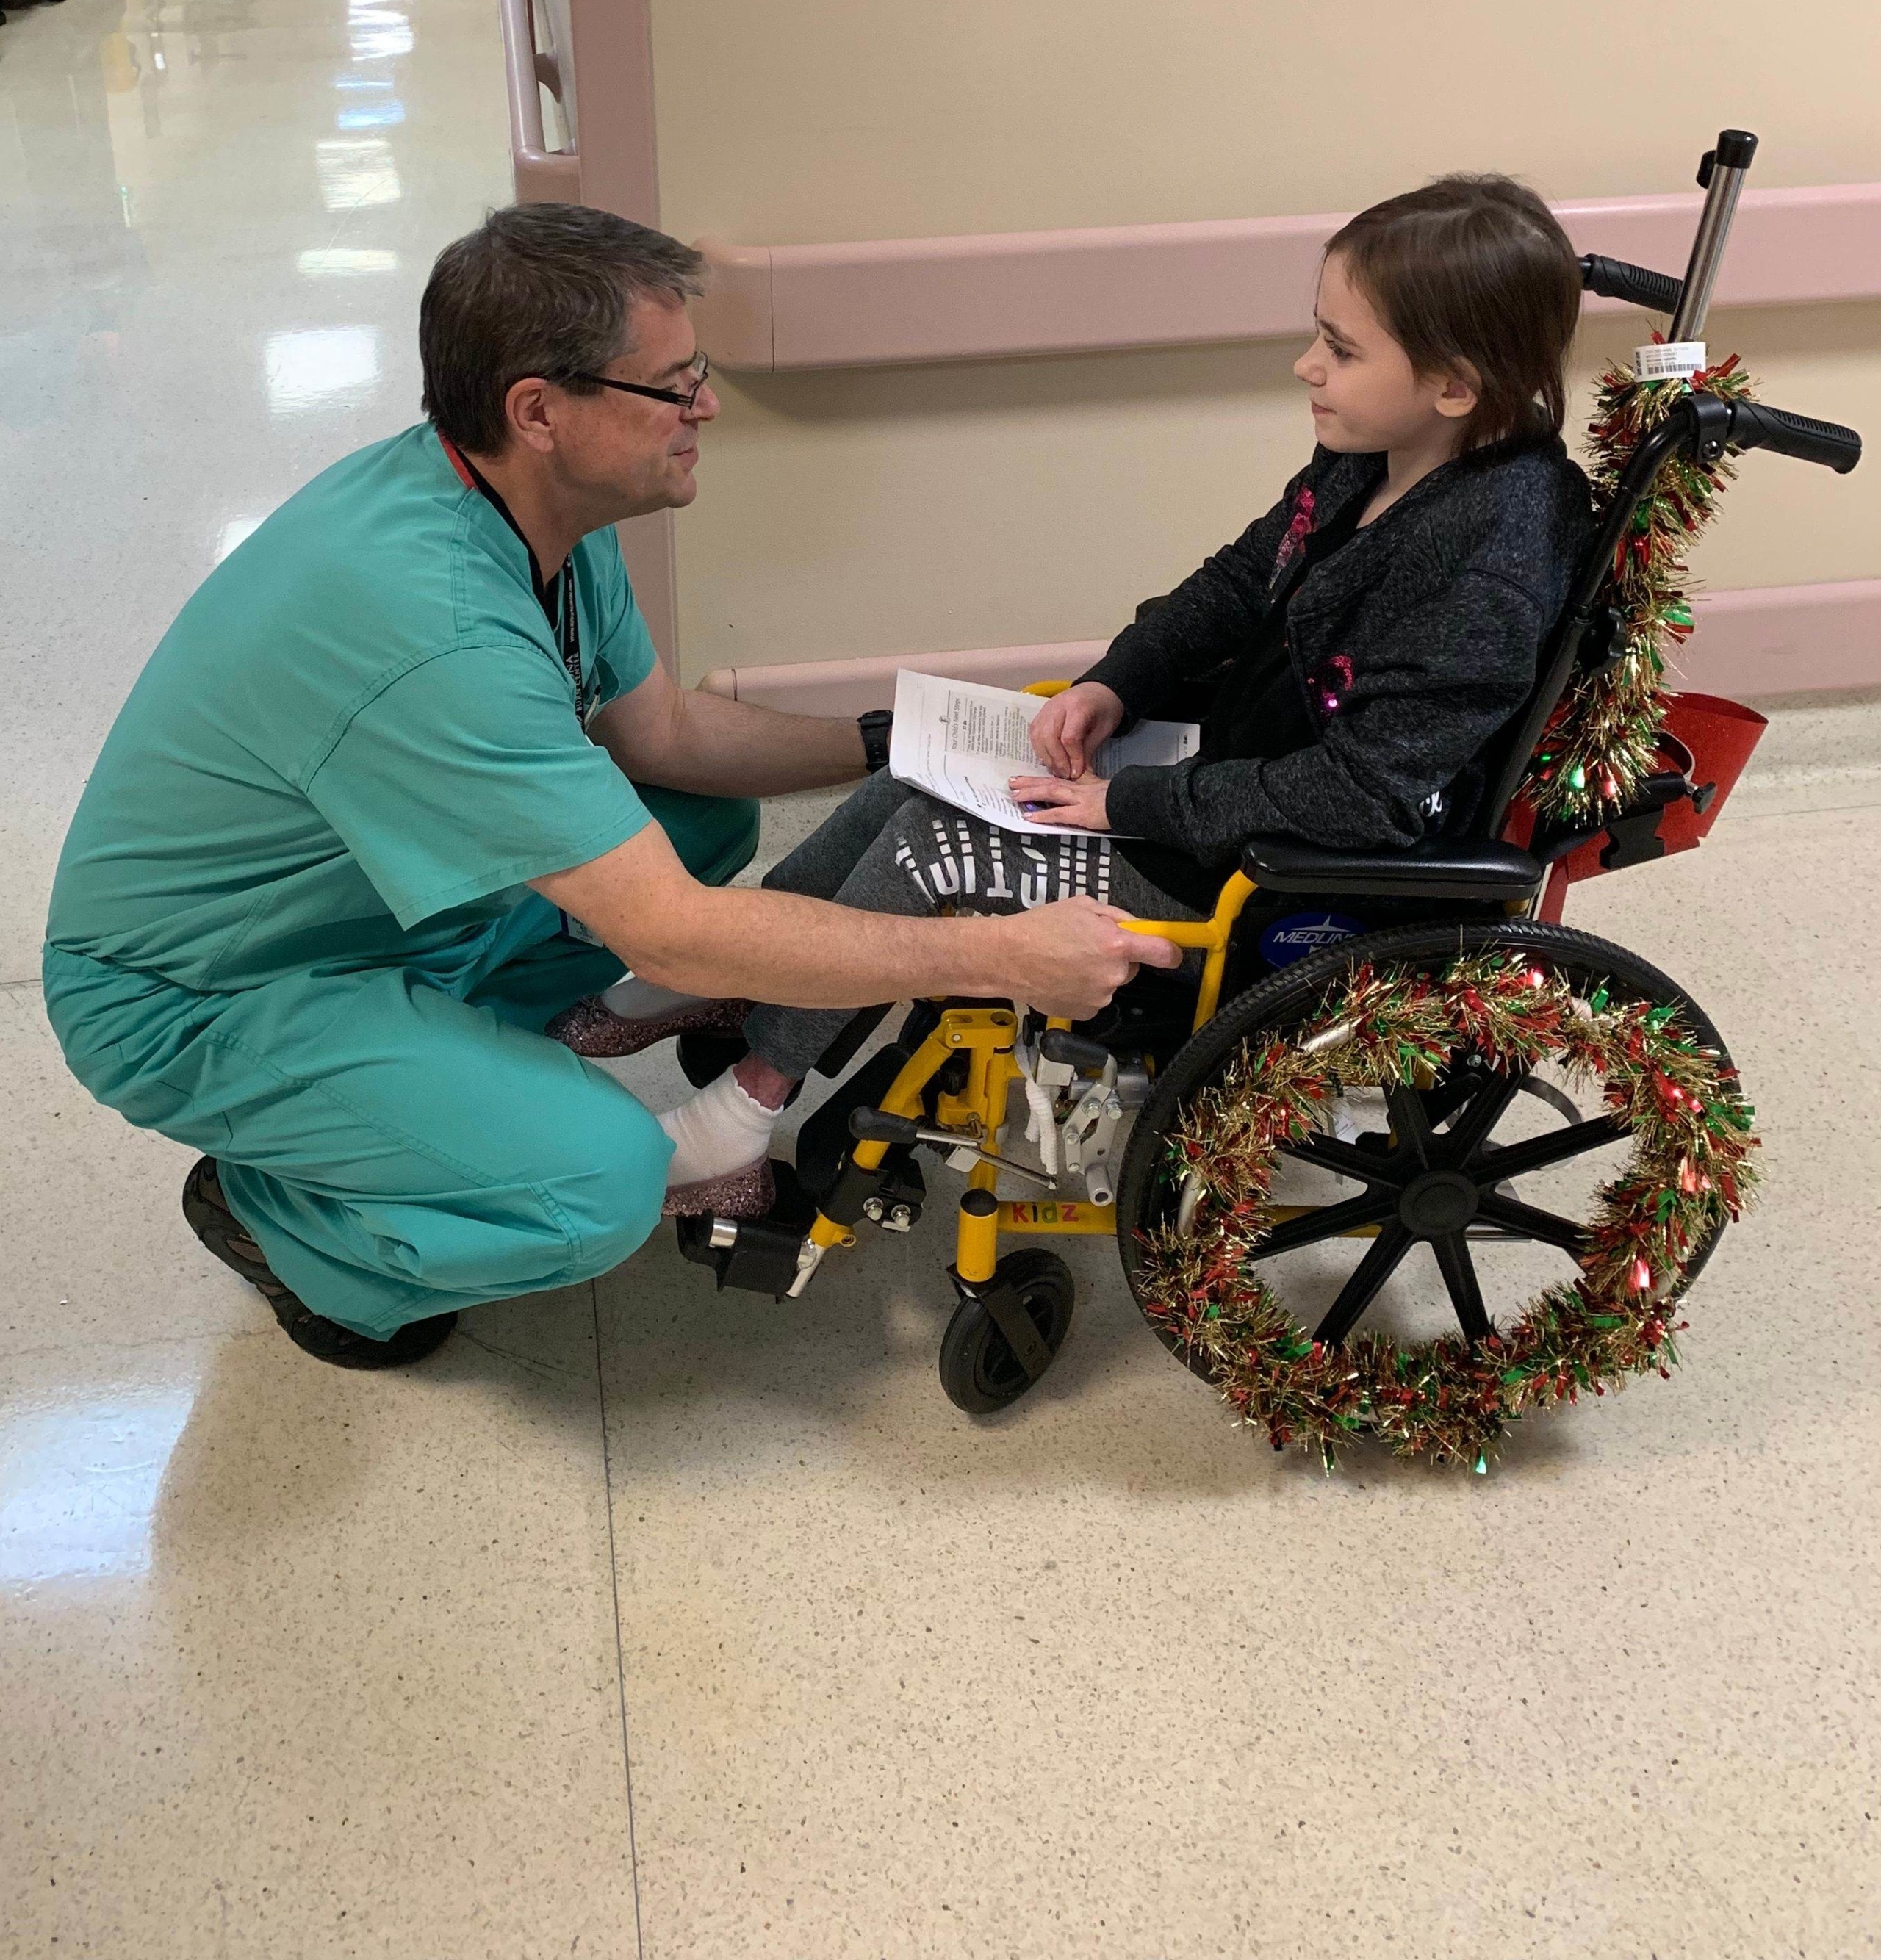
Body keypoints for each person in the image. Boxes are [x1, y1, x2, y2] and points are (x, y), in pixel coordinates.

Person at [41, 210, 1170, 1372]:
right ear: (541, 409)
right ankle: (282, 1216)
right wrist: (1004, 954)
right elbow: (672, 932)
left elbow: (671, 735)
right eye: (676, 386)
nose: (707, 408)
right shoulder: (433, 626)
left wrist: (900, 744)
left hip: (363, 908)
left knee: (703, 819)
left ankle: (437, 1084)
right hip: (198, 992)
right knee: (603, 1183)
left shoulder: (528, 509)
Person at [709, 174, 1593, 1084]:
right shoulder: (1372, 456)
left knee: (924, 842)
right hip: (1219, 777)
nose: (1305, 365)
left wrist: (1126, 805)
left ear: (1453, 385)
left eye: (1339, 348)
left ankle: (749, 1103)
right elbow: (1242, 578)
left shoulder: (1489, 561)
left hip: (1274, 873)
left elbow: (1364, 798)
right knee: (901, 783)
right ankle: (753, 969)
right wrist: (1117, 681)